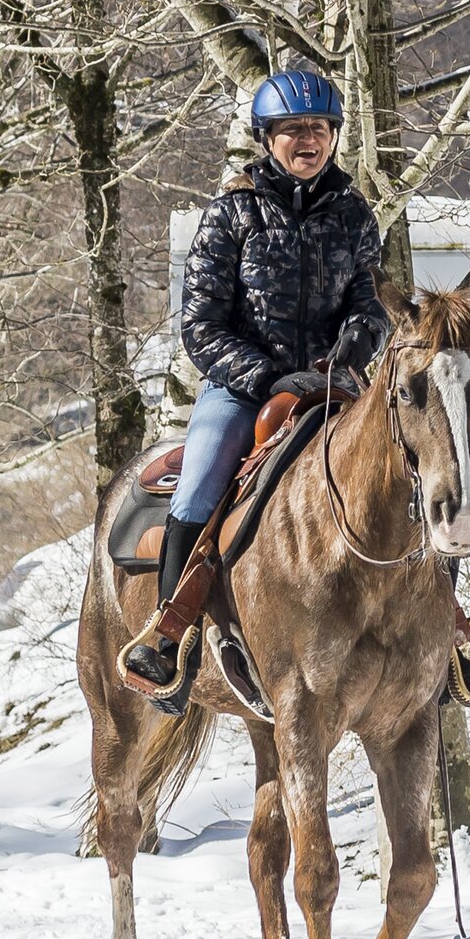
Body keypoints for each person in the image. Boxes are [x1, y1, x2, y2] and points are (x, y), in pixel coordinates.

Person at [119, 68, 394, 698]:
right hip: (243, 390)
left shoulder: (354, 214)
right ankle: (170, 635)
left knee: (412, 472)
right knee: (202, 480)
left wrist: (357, 342)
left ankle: (443, 641)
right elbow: (201, 325)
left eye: (319, 129)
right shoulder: (231, 213)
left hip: (334, 387)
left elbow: (370, 302)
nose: (308, 140)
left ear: (334, 136)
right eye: (292, 129)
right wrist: (270, 377)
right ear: (265, 138)